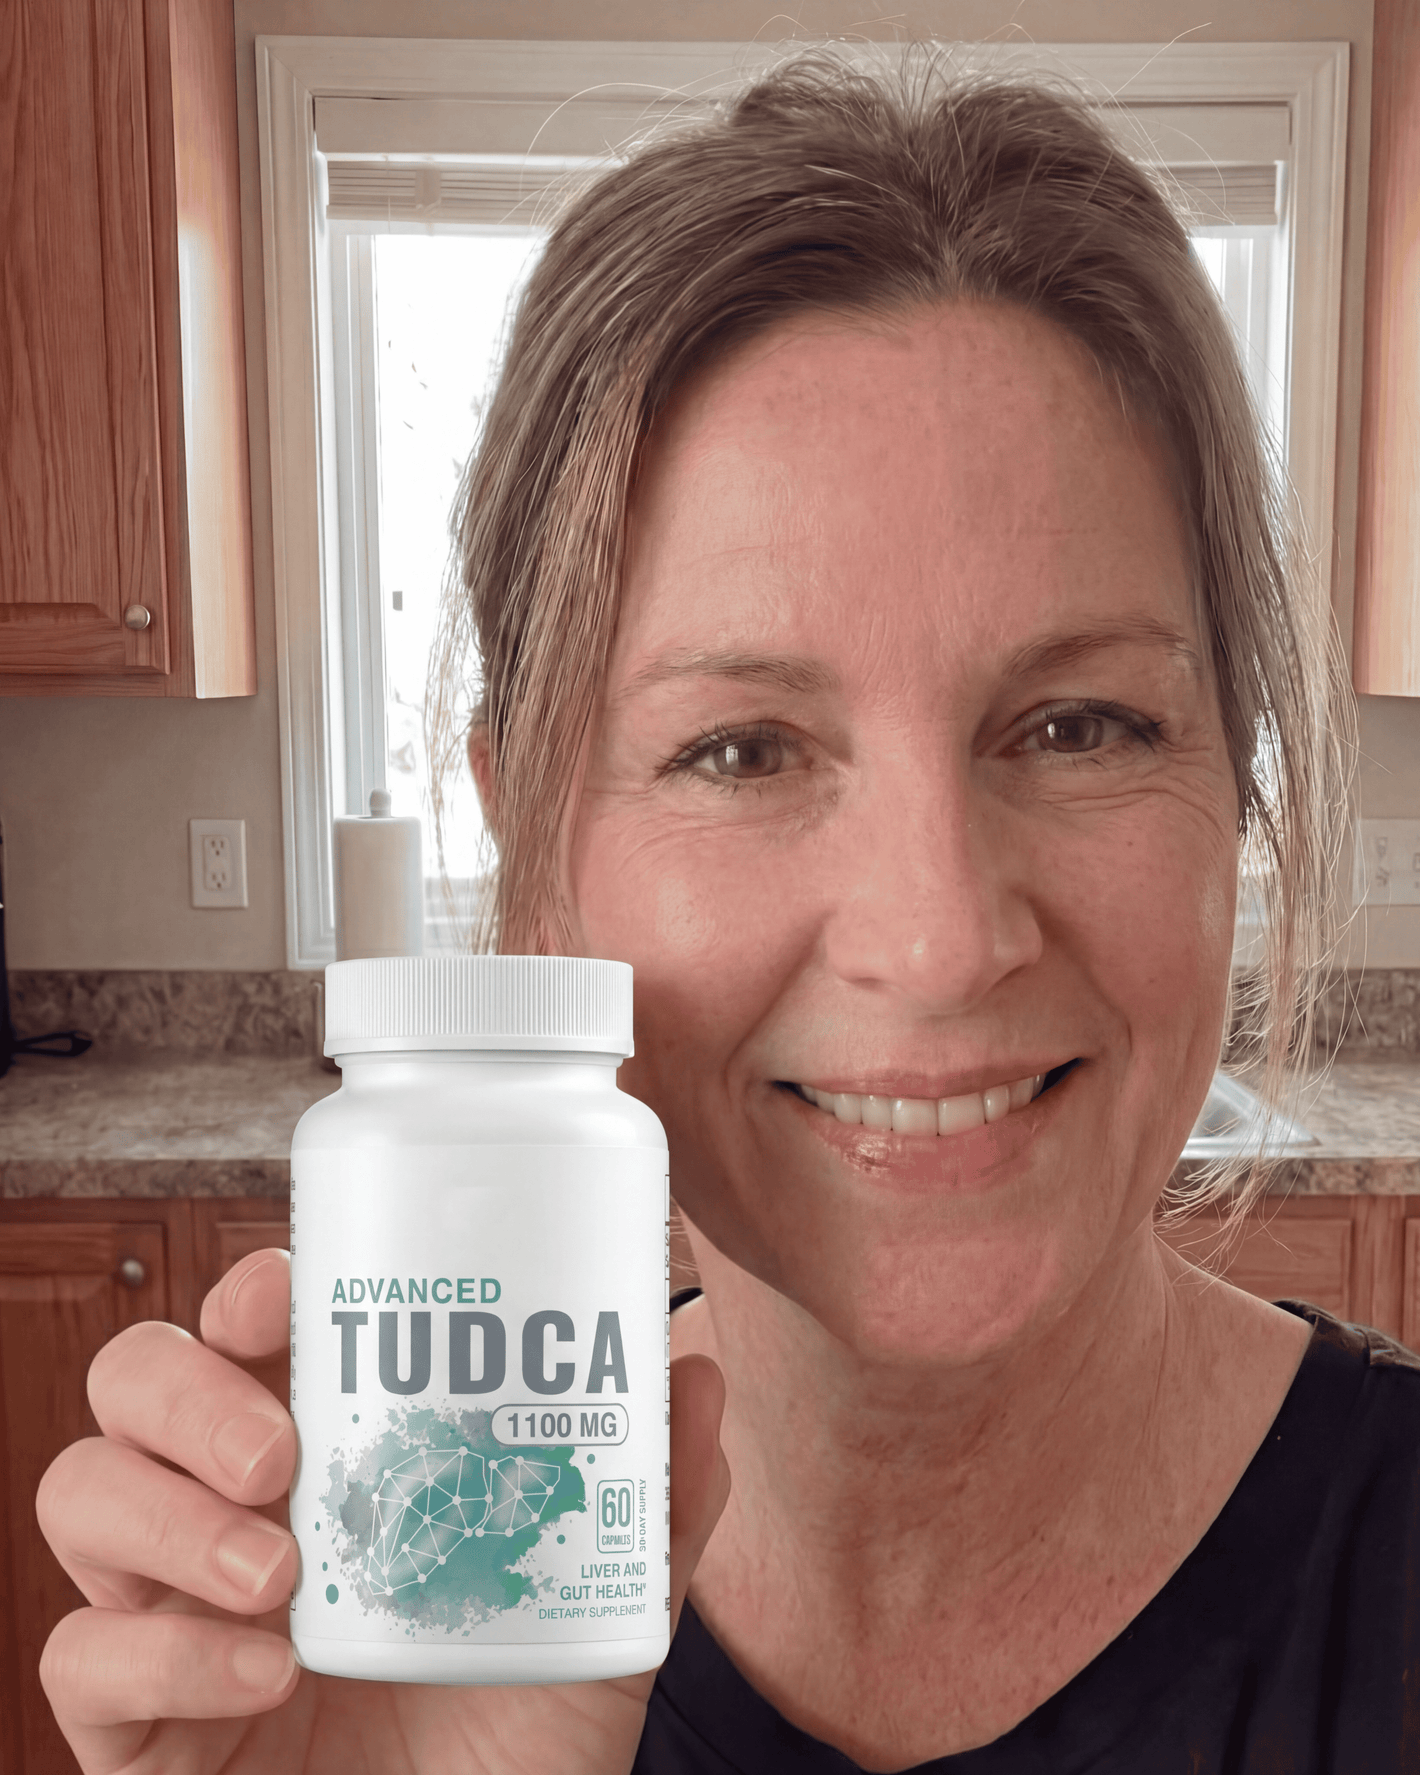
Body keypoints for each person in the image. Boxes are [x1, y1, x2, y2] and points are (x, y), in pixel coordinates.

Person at [34, 50, 1418, 1775]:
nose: (936, 938)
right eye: (741, 749)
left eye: (1080, 726)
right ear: (536, 852)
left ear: (1238, 780)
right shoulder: (396, 1620)